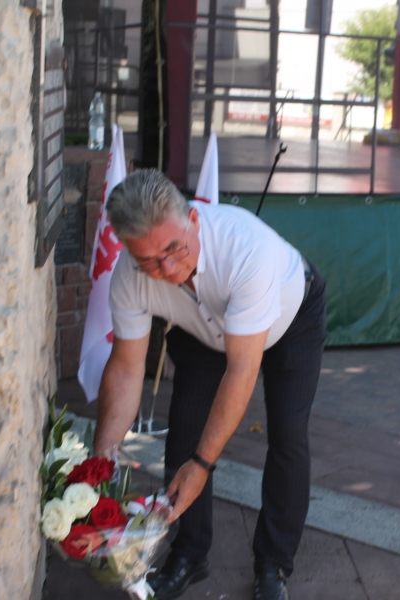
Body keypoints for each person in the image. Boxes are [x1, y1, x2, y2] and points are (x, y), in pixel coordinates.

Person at [93, 169, 326, 600]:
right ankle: (189, 553)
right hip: (203, 330)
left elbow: (242, 370)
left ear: (194, 220)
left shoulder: (246, 249)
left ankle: (274, 564)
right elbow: (125, 368)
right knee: (185, 429)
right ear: (127, 249)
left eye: (173, 249)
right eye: (148, 260)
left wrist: (202, 465)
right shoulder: (130, 273)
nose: (166, 269)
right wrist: (101, 460)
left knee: (288, 433)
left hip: (290, 320)